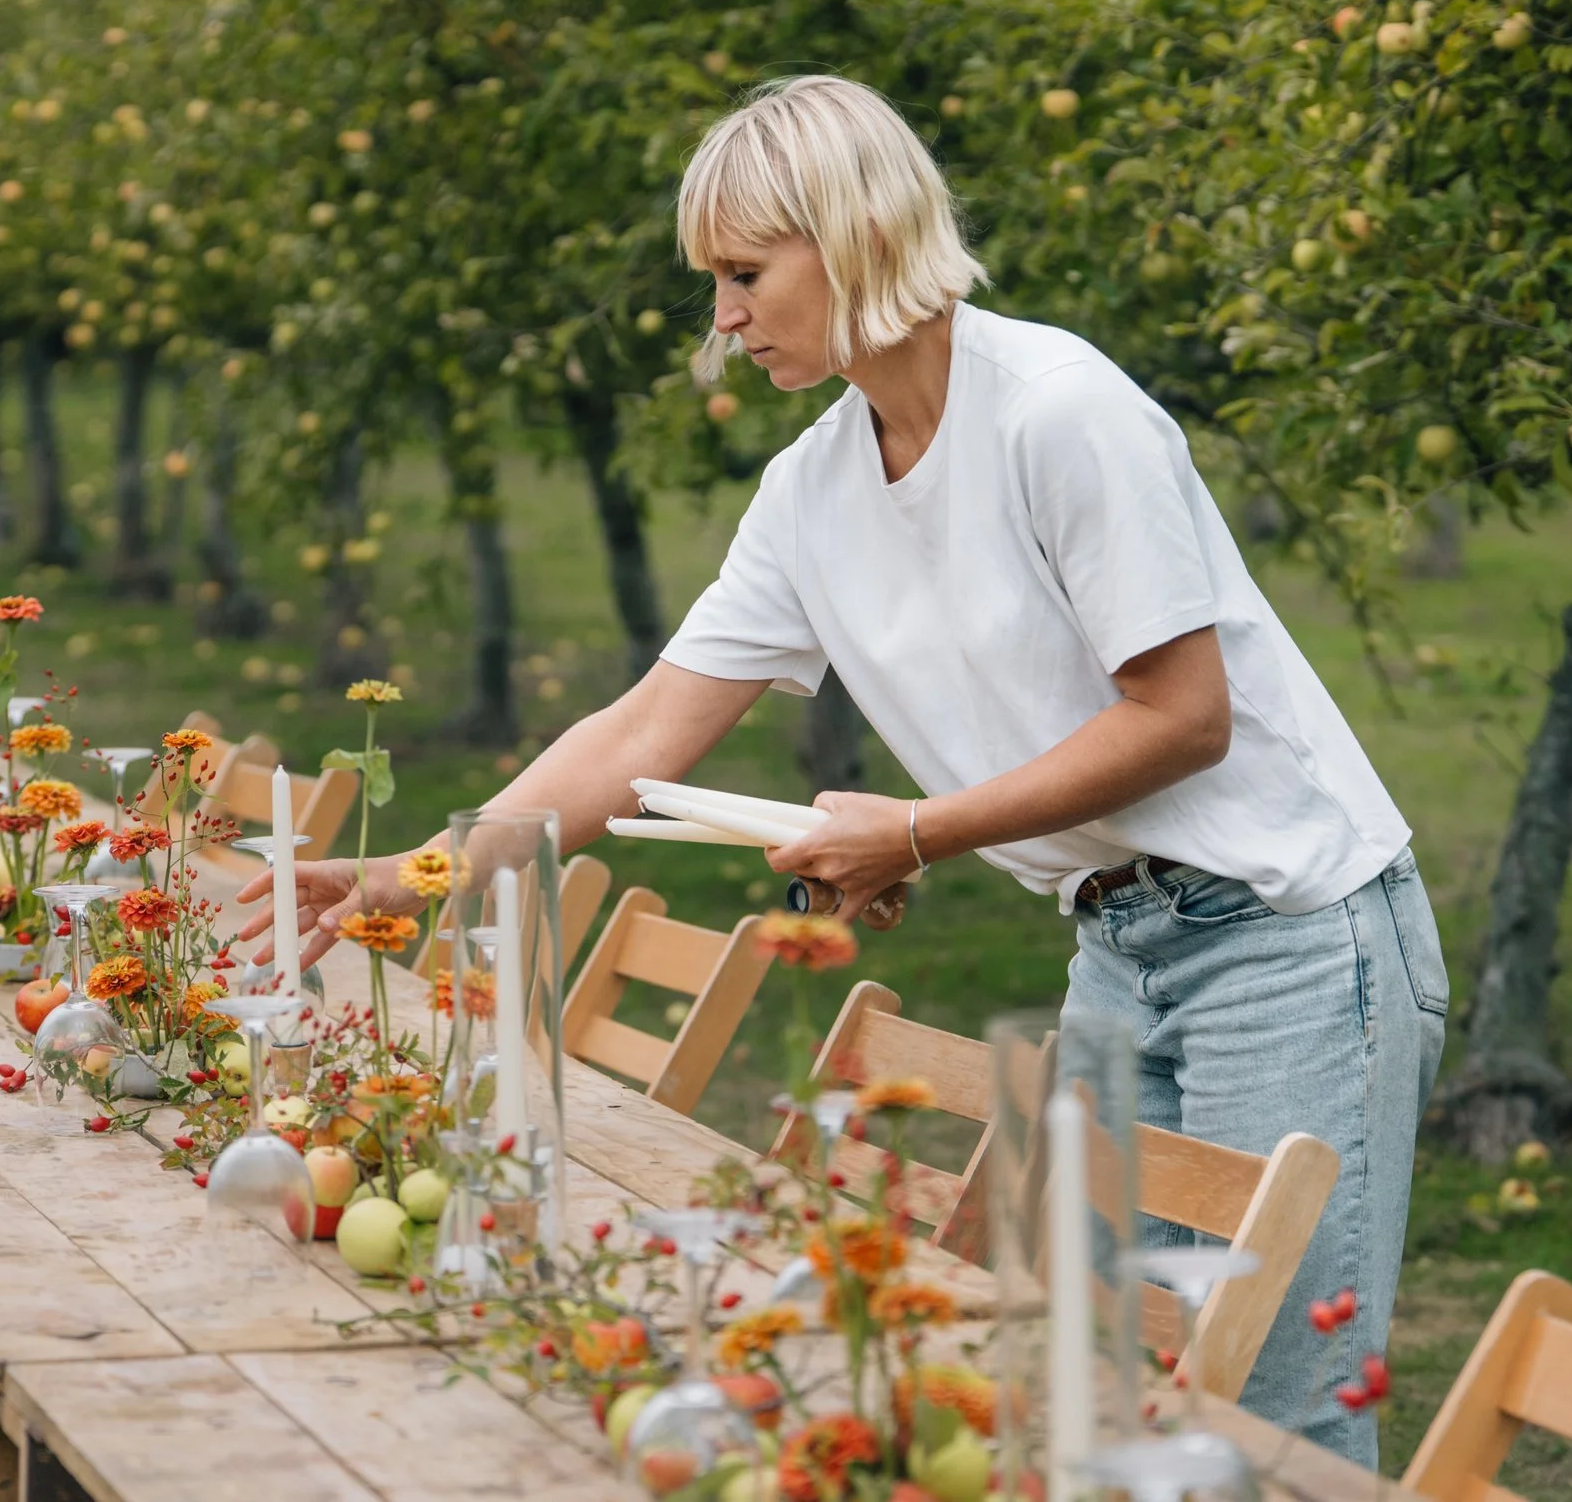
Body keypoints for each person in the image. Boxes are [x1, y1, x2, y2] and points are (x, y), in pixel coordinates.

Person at [240, 74, 1444, 1465]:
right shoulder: (812, 490)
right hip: (1120, 941)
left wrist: (918, 832)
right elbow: (641, 736)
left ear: (853, 233)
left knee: (1275, 1421)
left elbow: (1182, 716)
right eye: (716, 282)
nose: (725, 320)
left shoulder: (1059, 410)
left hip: (1288, 936)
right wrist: (421, 867)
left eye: (745, 274)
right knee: (1111, 1396)